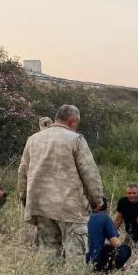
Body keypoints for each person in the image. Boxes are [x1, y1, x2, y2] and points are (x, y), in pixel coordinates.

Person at [18, 104, 103, 260]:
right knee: (75, 253)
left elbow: (23, 171)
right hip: (69, 205)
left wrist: (25, 197)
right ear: (73, 121)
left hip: (41, 204)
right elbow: (90, 173)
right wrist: (97, 199)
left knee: (48, 252)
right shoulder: (75, 139)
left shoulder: (33, 139)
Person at [87, 197, 132, 272]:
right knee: (125, 249)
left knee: (105, 247)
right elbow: (116, 243)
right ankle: (111, 270)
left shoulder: (80, 218)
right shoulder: (104, 218)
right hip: (93, 260)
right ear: (106, 207)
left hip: (75, 256)